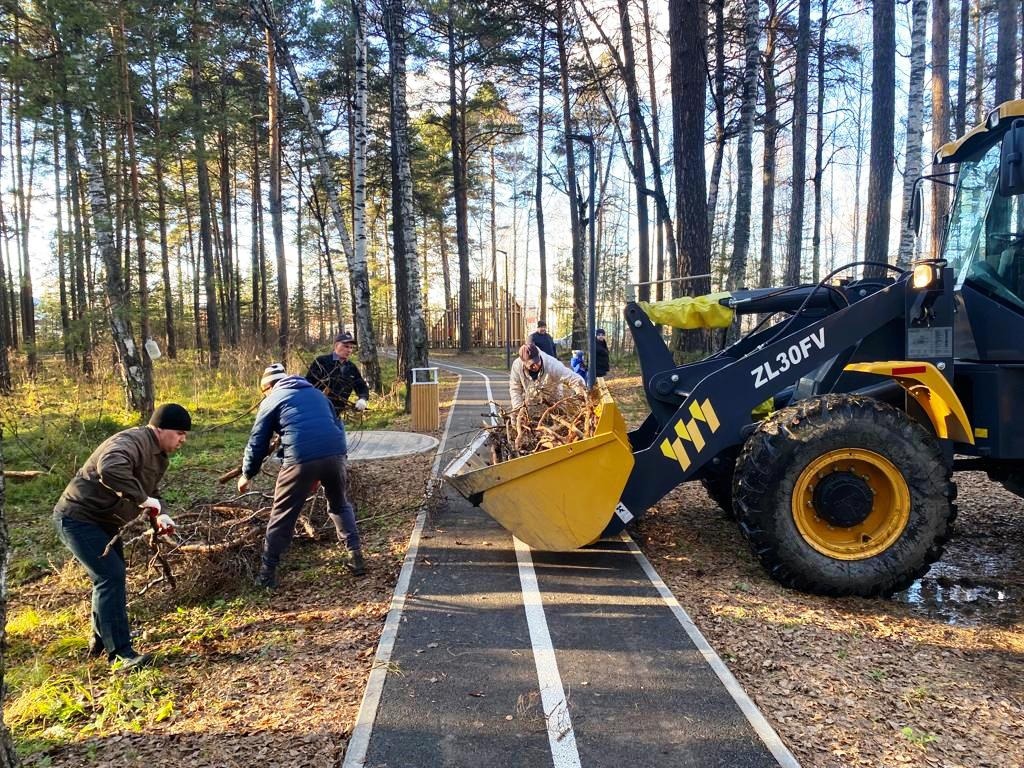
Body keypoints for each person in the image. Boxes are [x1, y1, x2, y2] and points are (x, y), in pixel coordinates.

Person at [53, 403, 192, 672]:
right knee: (110, 576)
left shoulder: (158, 455)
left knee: (110, 576)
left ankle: (101, 641)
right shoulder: (130, 441)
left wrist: (159, 516)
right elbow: (111, 468)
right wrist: (143, 499)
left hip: (105, 522)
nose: (183, 440)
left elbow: (149, 492)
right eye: (179, 433)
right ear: (160, 429)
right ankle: (120, 655)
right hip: (78, 518)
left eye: (185, 435)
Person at [239, 363, 365, 589]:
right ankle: (355, 556)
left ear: (268, 386)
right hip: (336, 454)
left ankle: (267, 574)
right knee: (339, 504)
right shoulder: (316, 394)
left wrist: (247, 473)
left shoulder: (272, 400)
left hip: (300, 459)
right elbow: (336, 424)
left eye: (263, 391)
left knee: (282, 514)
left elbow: (257, 442)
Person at [306, 331, 370, 416]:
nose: (349, 350)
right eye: (346, 346)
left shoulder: (351, 367)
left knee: (339, 429)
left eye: (351, 347)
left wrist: (363, 399)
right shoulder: (322, 361)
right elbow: (308, 383)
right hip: (318, 410)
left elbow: (361, 385)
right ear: (336, 346)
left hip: (337, 413)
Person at [509, 342, 588, 410]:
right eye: (532, 365)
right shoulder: (517, 366)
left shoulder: (553, 365)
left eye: (537, 362)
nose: (536, 366)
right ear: (524, 362)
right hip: (531, 406)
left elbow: (576, 380)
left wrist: (581, 399)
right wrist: (518, 409)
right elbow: (515, 389)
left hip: (554, 406)